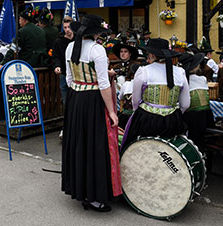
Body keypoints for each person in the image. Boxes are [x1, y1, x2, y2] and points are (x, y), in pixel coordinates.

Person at [63, 14, 120, 212]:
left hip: (75, 100)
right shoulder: (97, 50)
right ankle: (95, 196)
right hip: (93, 101)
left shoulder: (70, 48)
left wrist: (80, 88)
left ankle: (80, 189)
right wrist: (112, 112)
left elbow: (69, 79)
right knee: (95, 146)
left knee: (78, 143)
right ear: (96, 33)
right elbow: (103, 84)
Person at [120, 38, 190, 149]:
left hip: (147, 120)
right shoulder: (180, 72)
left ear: (152, 55)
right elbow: (185, 104)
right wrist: (171, 110)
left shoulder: (143, 71)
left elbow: (136, 101)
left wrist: (140, 114)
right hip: (172, 121)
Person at [178, 52, 213, 151]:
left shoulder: (182, 80)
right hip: (206, 119)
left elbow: (184, 106)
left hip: (191, 121)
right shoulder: (202, 79)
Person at [52, 16, 74, 140]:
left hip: (77, 76)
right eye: (65, 27)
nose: (67, 30)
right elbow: (55, 57)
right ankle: (65, 129)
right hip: (64, 75)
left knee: (76, 103)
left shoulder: (79, 40)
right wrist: (57, 66)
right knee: (66, 103)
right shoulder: (58, 41)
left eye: (69, 27)